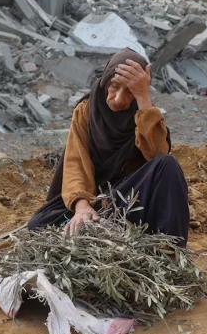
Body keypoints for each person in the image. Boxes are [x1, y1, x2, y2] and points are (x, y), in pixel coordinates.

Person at [28, 48, 190, 246]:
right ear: (105, 81)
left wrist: (143, 99)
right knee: (39, 224)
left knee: (168, 164)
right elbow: (76, 162)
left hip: (131, 200)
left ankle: (169, 249)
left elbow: (157, 154)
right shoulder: (87, 110)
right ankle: (98, 226)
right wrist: (82, 206)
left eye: (130, 91)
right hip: (95, 200)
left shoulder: (144, 113)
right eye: (114, 86)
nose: (119, 99)